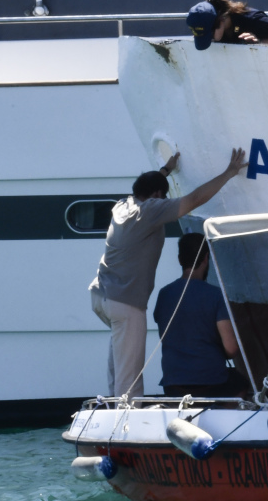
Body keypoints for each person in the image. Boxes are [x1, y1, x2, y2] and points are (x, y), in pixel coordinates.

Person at [89, 147, 248, 399]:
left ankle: (111, 407)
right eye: (163, 196)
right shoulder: (150, 210)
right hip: (125, 302)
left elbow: (149, 185)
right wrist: (229, 173)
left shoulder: (124, 204)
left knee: (118, 362)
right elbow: (194, 199)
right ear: (156, 195)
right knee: (130, 376)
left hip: (100, 297)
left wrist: (166, 170)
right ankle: (126, 421)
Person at [153, 232, 249, 398]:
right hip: (211, 383)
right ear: (206, 258)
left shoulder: (164, 294)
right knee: (241, 384)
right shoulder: (215, 295)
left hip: (172, 385)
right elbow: (231, 348)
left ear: (179, 259)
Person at [185, 0, 268, 50]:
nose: (210, 40)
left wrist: (259, 43)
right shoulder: (207, 27)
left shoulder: (251, 19)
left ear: (221, 21)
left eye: (209, 35)